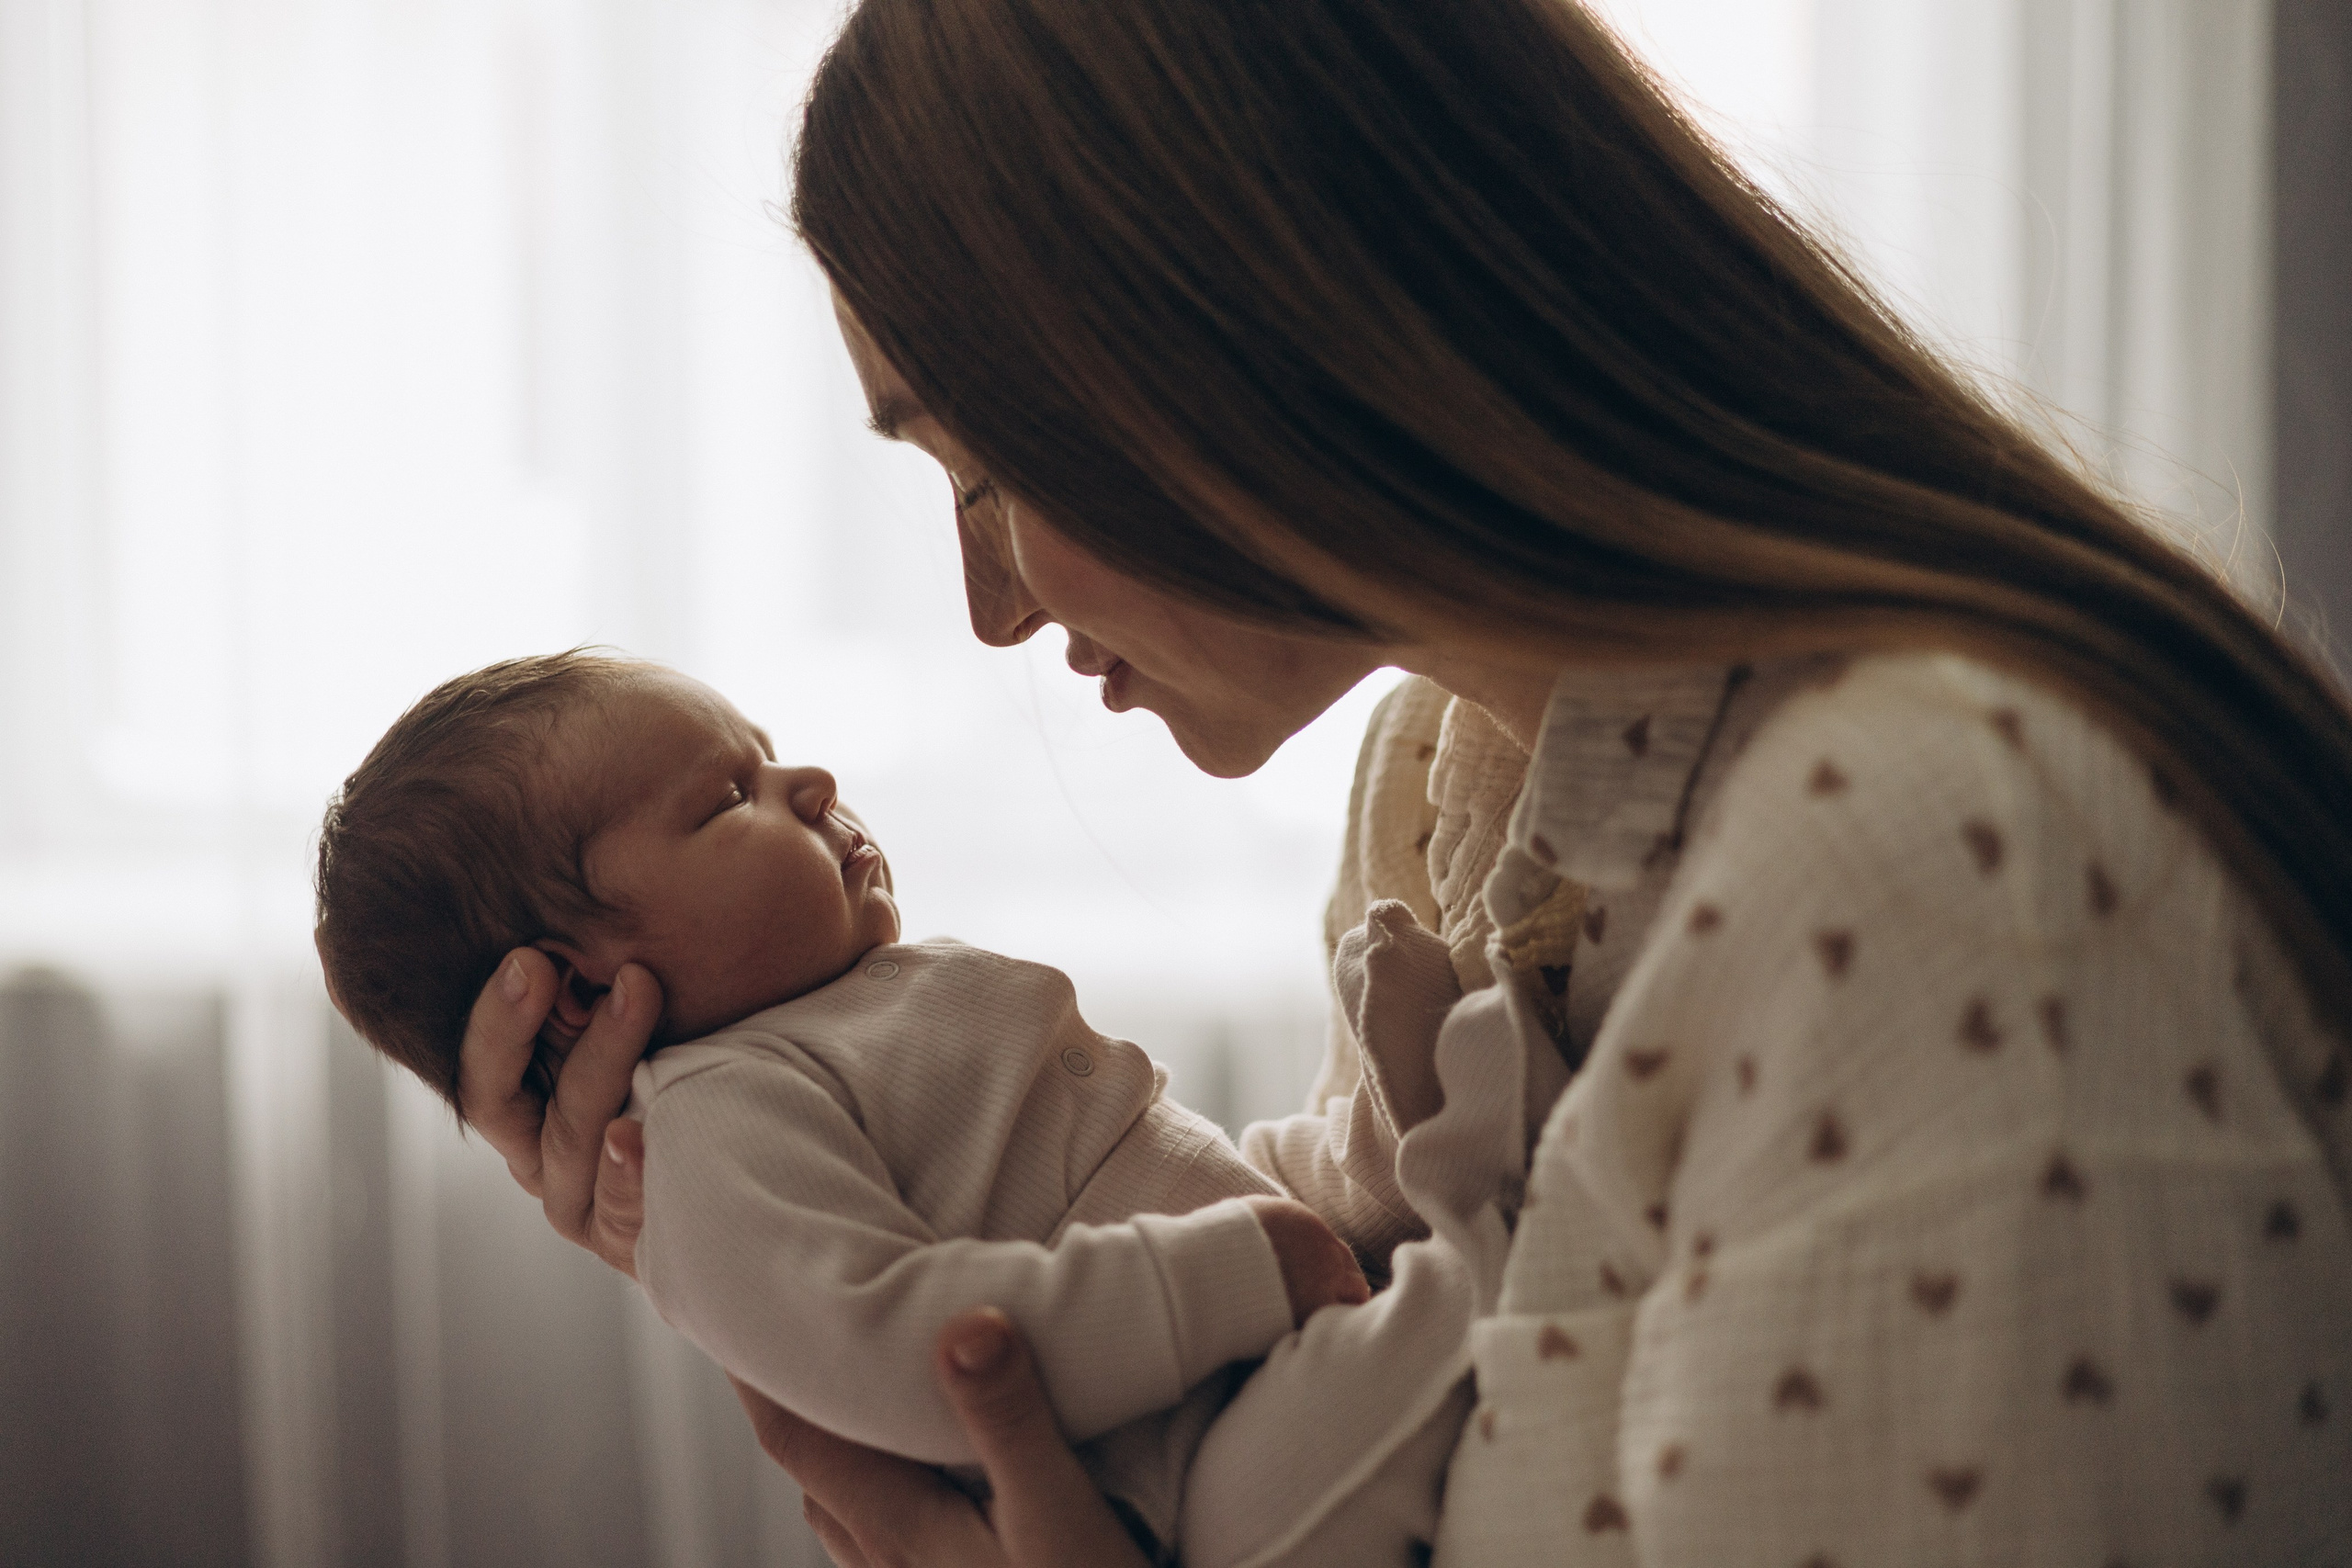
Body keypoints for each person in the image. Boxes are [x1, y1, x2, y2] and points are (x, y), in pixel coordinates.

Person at [450, 1, 2352, 1562]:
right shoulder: (1461, 770)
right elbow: (1355, 1247)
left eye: (990, 471)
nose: (989, 608)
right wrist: (735, 1193)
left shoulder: (1939, 874)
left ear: (1235, 340)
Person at [317, 650, 1514, 1565]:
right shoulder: (706, 1128)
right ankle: (1524, 1253)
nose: (811, 782)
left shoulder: (838, 1018)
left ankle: (1451, 1136)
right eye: (728, 794)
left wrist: (1284, 1222)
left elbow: (1131, 1167)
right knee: (1454, 1334)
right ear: (579, 990)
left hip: (1236, 1346)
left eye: (770, 753)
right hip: (1192, 1481)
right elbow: (901, 1350)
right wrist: (1230, 1276)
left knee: (1363, 1182)